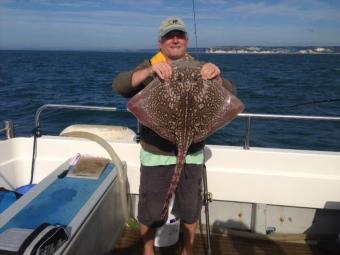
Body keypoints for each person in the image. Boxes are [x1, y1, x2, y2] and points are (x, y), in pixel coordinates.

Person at [112, 17, 236, 255]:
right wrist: (149, 71)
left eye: (179, 35)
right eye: (170, 36)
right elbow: (119, 85)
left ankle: (187, 249)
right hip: (156, 153)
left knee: (190, 208)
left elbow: (231, 94)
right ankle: (148, 251)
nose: (175, 39)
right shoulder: (150, 66)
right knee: (150, 209)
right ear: (161, 42)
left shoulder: (202, 69)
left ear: (187, 41)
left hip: (192, 151)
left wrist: (217, 76)